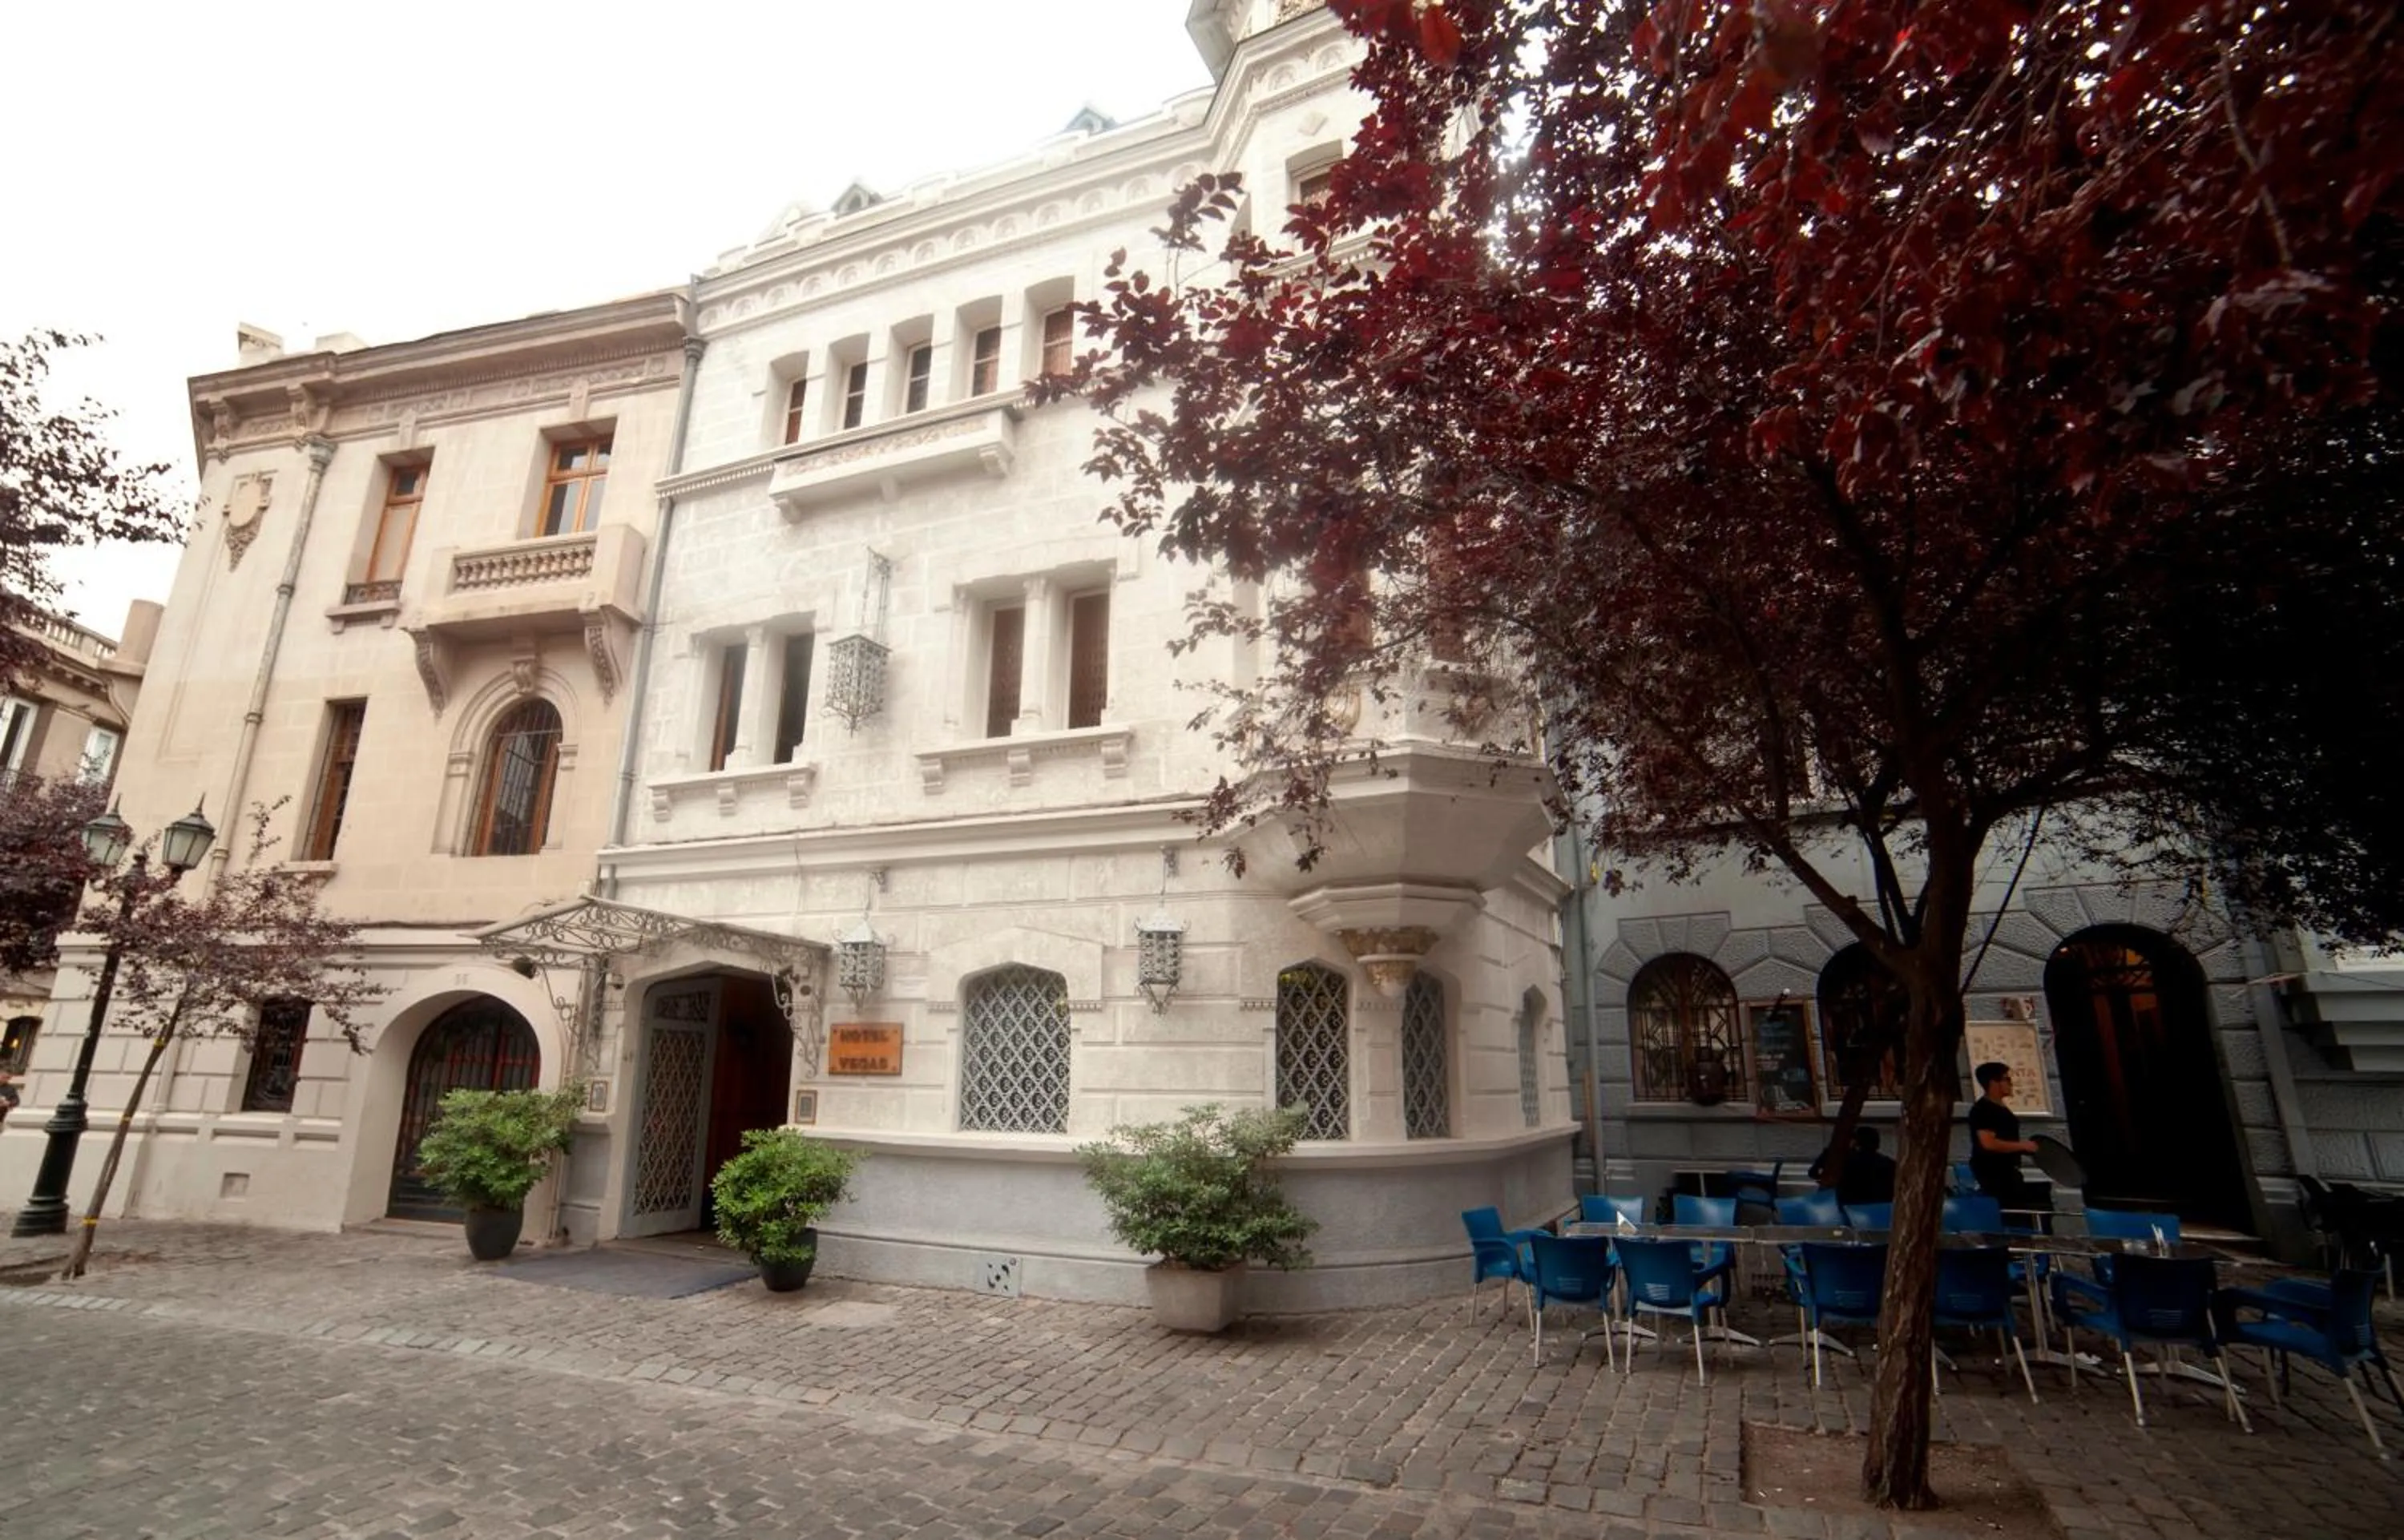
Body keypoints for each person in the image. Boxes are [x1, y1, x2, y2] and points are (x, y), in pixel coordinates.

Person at [1968, 1061, 2042, 1211]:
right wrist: (2022, 1145)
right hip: (1995, 1174)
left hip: (2009, 1171)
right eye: (2006, 1079)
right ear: (1993, 1083)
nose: (2011, 1083)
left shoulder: (2001, 1108)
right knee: (2010, 1214)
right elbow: (1988, 1143)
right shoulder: (1983, 1110)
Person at [1809, 1125, 1898, 1206]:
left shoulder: (1839, 1158)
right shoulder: (1890, 1164)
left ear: (1855, 1142)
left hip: (1847, 1205)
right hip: (1881, 1207)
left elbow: (1813, 1173)